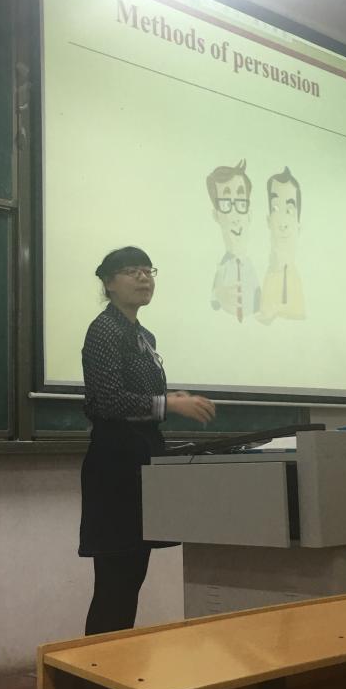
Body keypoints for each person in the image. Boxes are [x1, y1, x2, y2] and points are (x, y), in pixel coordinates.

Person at [80, 246, 215, 635]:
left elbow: (137, 396)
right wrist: (169, 404)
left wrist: (169, 399)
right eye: (131, 271)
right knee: (115, 583)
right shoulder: (104, 330)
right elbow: (107, 402)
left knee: (131, 578)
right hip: (115, 466)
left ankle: (117, 660)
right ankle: (98, 665)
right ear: (108, 283)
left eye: (147, 270)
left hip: (142, 461)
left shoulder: (143, 334)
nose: (143, 278)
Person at [206, 159, 260, 322]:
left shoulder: (255, 265)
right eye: (226, 204)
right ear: (216, 215)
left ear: (249, 214)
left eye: (241, 204)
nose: (235, 217)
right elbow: (214, 302)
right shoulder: (221, 266)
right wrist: (219, 295)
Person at [258, 166, 306, 324]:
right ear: (268, 221)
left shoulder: (295, 281)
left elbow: (299, 318)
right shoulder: (269, 277)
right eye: (275, 208)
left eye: (289, 211)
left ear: (298, 226)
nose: (282, 223)